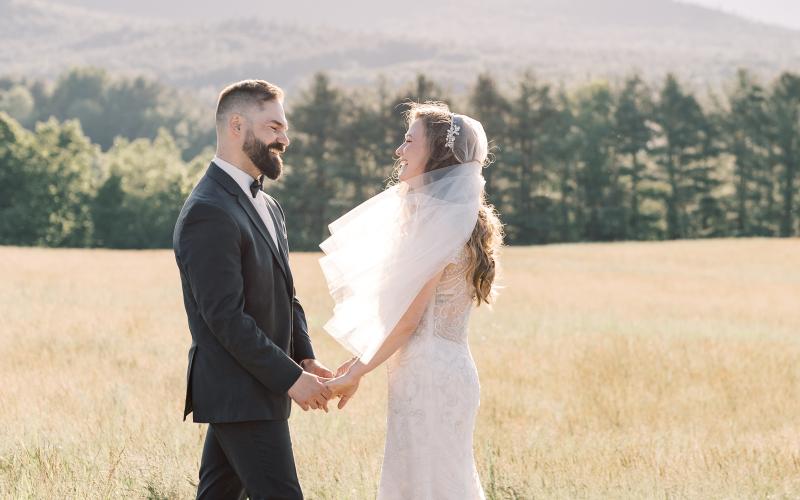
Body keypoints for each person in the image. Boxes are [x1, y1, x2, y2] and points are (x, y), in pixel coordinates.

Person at [321, 101, 504, 499]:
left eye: (408, 141)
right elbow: (405, 319)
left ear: (436, 154)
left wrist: (356, 374)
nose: (399, 151)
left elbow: (408, 321)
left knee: (427, 486)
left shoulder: (438, 223)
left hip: (430, 377)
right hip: (438, 370)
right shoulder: (452, 218)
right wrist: (358, 361)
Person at [173, 79, 334, 500]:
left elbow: (286, 294)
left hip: (251, 393)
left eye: (284, 128)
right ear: (237, 126)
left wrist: (305, 356)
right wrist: (291, 378)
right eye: (273, 128)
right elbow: (225, 319)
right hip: (238, 390)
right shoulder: (208, 211)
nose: (284, 138)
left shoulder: (268, 205)